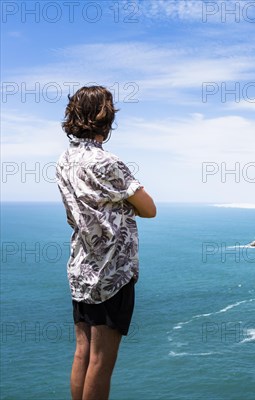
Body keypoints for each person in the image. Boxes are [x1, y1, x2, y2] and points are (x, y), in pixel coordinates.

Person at [56, 86, 156, 400]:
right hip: (113, 270)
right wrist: (125, 206)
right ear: (106, 118)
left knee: (82, 352)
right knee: (102, 359)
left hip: (81, 265)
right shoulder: (108, 163)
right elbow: (149, 209)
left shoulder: (65, 160)